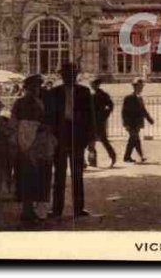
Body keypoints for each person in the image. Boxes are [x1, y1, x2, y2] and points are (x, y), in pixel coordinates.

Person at [45, 63, 95, 218]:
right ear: (62, 76)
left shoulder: (84, 92)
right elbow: (49, 116)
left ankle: (78, 209)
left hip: (77, 135)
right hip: (60, 135)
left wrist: (91, 139)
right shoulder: (54, 92)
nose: (70, 77)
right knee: (59, 174)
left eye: (73, 74)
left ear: (77, 75)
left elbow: (90, 117)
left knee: (77, 174)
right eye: (67, 74)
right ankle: (56, 209)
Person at [12, 74, 54, 222]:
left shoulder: (44, 102)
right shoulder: (21, 103)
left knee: (41, 175)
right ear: (27, 88)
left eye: (37, 86)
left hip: (42, 144)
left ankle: (39, 210)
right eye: (32, 87)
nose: (35, 90)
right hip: (28, 145)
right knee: (28, 177)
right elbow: (16, 123)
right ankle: (28, 210)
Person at [121, 78, 154, 163]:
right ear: (135, 87)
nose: (141, 89)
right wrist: (126, 124)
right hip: (131, 123)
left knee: (133, 139)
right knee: (135, 138)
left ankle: (127, 157)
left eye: (141, 87)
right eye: (140, 87)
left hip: (137, 123)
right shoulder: (128, 98)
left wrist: (149, 119)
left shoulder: (140, 98)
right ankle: (140, 156)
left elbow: (143, 110)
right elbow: (124, 112)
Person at [87, 79, 117, 168]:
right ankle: (92, 161)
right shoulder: (90, 95)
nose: (92, 86)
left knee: (103, 140)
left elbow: (110, 105)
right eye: (91, 84)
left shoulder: (103, 95)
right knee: (90, 141)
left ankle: (112, 156)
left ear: (98, 85)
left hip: (99, 121)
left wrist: (104, 115)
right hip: (91, 121)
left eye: (94, 84)